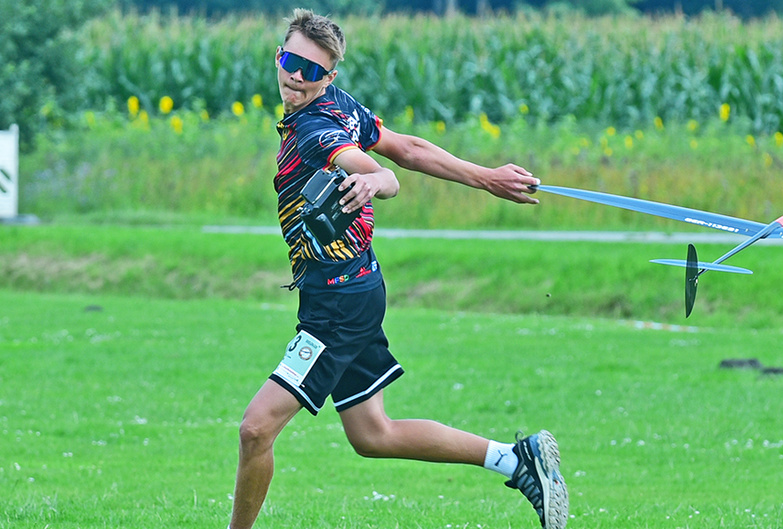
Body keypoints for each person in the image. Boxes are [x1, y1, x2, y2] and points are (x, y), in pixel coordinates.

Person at [228, 8, 568, 529]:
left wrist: (375, 181)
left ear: (329, 77)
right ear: (279, 55)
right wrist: (486, 178)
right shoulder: (339, 107)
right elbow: (407, 148)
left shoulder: (318, 128)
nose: (297, 76)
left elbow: (384, 170)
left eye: (312, 70)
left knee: (256, 430)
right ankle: (518, 460)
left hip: (339, 304)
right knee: (372, 434)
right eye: (291, 61)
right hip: (351, 288)